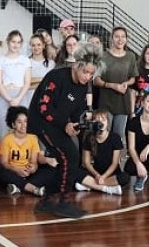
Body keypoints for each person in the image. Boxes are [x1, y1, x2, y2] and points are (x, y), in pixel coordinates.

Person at [29, 44, 101, 218]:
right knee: (70, 157)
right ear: (77, 66)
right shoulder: (56, 77)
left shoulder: (83, 86)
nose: (88, 77)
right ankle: (63, 202)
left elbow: (76, 111)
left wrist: (77, 125)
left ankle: (47, 200)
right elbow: (44, 107)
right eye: (86, 72)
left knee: (68, 159)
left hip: (57, 124)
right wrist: (65, 125)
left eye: (91, 74)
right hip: (41, 123)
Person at [0, 106, 55, 197]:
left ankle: (18, 187)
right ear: (13, 125)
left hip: (28, 174)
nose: (23, 125)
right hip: (13, 173)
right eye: (19, 122)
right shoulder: (7, 139)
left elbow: (34, 161)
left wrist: (33, 168)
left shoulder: (33, 137)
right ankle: (32, 188)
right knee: (1, 172)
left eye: (26, 121)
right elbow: (4, 163)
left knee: (50, 170)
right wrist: (17, 170)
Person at [94, 27, 137, 143]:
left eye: (123, 36)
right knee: (102, 133)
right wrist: (112, 85)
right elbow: (96, 80)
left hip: (123, 102)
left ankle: (116, 160)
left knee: (118, 135)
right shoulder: (103, 56)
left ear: (127, 39)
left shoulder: (131, 56)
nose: (120, 39)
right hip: (106, 101)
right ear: (112, 38)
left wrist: (126, 84)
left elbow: (133, 78)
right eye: (117, 36)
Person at [77, 110, 126, 195]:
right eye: (97, 120)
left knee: (124, 178)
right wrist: (96, 175)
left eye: (103, 120)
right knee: (75, 172)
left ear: (107, 123)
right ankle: (106, 189)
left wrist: (103, 177)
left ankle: (90, 185)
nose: (100, 123)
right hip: (94, 172)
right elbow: (86, 162)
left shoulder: (115, 137)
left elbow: (115, 163)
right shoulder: (89, 137)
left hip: (110, 173)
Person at [0, 30, 31, 140]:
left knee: (22, 126)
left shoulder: (25, 60)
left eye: (19, 42)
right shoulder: (0, 61)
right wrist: (10, 99)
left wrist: (18, 99)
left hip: (21, 95)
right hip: (5, 95)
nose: (16, 45)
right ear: (8, 42)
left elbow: (27, 82)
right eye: (13, 41)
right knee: (2, 126)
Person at [26, 34, 55, 108]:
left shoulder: (51, 64)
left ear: (44, 46)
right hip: (28, 101)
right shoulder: (25, 62)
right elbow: (24, 84)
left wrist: (32, 82)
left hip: (45, 103)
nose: (36, 48)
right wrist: (44, 79)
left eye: (39, 45)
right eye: (33, 45)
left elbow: (52, 84)